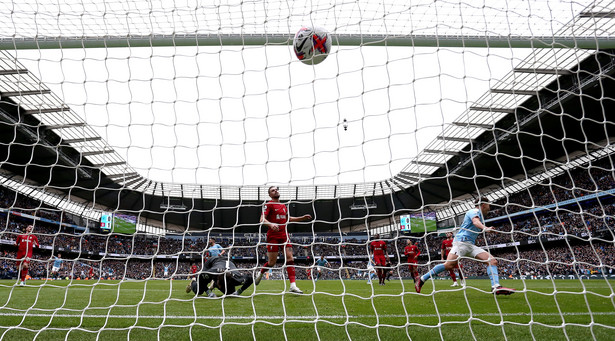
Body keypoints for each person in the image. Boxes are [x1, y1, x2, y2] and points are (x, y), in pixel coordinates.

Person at [415, 198, 515, 295]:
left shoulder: (479, 215)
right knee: (449, 265)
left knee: (492, 261)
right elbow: (475, 222)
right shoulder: (473, 211)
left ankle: (496, 286)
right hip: (461, 243)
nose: (490, 207)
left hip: (470, 245)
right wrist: (486, 228)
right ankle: (422, 279)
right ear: (483, 205)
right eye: (488, 205)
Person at [255, 186, 312, 294]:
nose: (275, 190)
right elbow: (262, 219)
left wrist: (302, 218)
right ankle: (261, 273)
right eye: (273, 190)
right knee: (272, 262)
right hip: (273, 236)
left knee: (290, 257)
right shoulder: (268, 205)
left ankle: (293, 286)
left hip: (284, 235)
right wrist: (271, 224)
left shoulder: (283, 205)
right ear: (270, 194)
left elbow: (288, 218)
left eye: (276, 189)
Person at [185, 255, 253, 297]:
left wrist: (239, 292)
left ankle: (214, 284)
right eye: (219, 284)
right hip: (212, 262)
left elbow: (250, 279)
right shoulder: (211, 272)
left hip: (230, 261)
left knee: (229, 293)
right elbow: (201, 277)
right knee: (199, 291)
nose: (220, 286)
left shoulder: (237, 279)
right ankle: (193, 282)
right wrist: (208, 292)